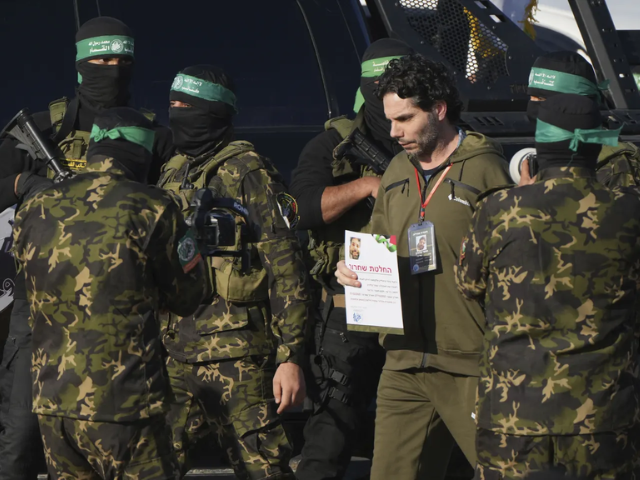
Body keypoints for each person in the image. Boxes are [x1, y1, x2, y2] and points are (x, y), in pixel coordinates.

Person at [0, 17, 174, 479]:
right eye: (101, 60)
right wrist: (24, 183)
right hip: (44, 303)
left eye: (121, 61)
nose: (111, 70)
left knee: (123, 441)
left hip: (118, 303)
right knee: (19, 436)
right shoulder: (45, 129)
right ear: (80, 66)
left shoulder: (153, 137)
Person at [335, 54, 511, 480]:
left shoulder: (486, 170)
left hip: (471, 361)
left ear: (439, 109)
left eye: (406, 119)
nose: (394, 132)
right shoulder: (397, 168)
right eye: (391, 120)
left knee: (506, 472)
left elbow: (513, 270)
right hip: (403, 360)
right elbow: (378, 238)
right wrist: (351, 267)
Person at [11, 107, 205, 479]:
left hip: (54, 403)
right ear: (142, 154)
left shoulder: (36, 207)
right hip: (124, 403)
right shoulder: (152, 206)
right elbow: (187, 298)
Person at [456, 94, 640, 479]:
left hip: (514, 414)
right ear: (595, 144)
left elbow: (469, 284)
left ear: (539, 147)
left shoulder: (499, 209)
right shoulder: (629, 209)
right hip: (602, 414)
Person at [157, 65, 311, 480]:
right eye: (172, 104)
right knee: (150, 465)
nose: (176, 114)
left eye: (186, 106)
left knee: (263, 467)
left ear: (213, 112)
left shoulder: (249, 172)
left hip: (236, 356)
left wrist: (290, 358)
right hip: (176, 350)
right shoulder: (175, 169)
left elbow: (287, 272)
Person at [289, 38, 414, 480]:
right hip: (354, 303)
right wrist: (365, 186)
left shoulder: (429, 139)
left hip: (424, 300)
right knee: (332, 430)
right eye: (377, 87)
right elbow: (301, 210)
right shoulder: (335, 144)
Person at [524, 51, 640, 188]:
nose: (534, 105)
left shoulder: (614, 165)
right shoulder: (544, 148)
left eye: (543, 99)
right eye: (532, 97)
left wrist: (526, 198)